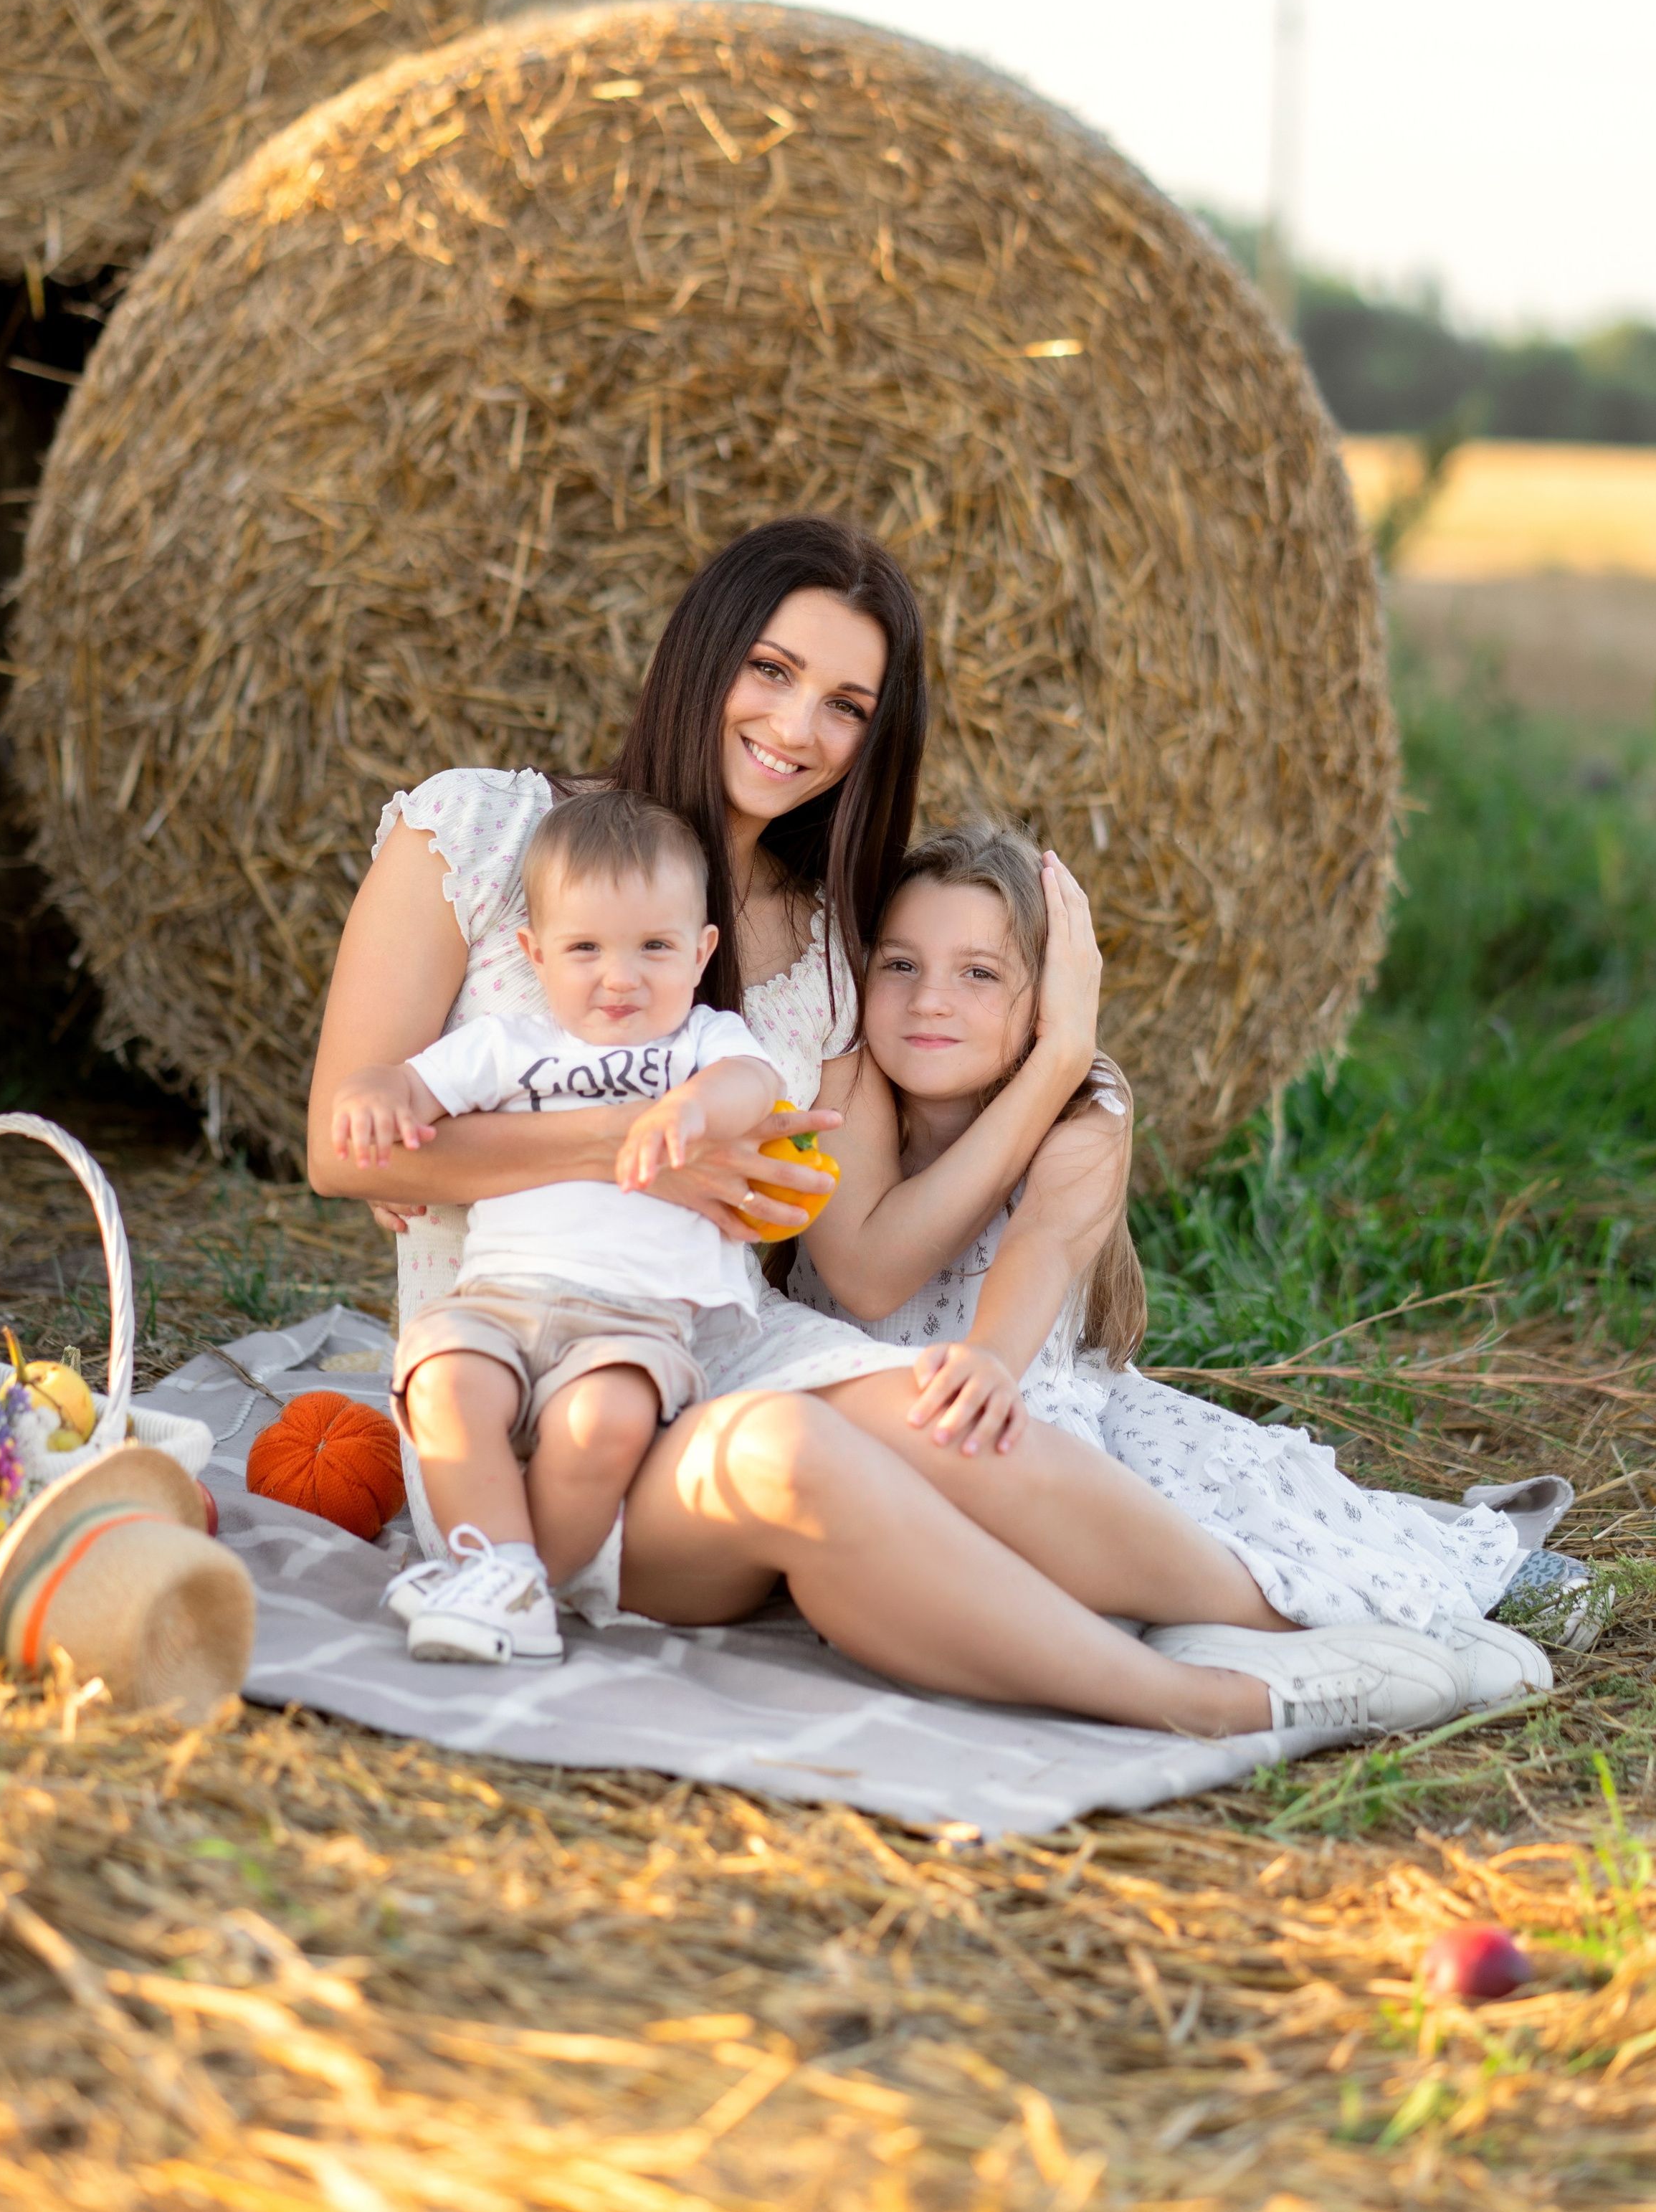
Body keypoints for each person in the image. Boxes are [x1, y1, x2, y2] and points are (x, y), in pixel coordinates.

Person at [308, 517, 1475, 1744]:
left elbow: (855, 1261)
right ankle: (1212, 1702)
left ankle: (1309, 1619)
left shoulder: (827, 948)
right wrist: (631, 1148)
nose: (796, 727)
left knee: (946, 1411)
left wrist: (1056, 1061)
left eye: (847, 707)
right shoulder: (482, 832)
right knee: (793, 1451)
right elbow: (345, 1144)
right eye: (771, 670)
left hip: (704, 1344)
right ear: (703, 653)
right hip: (507, 1389)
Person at [784, 824, 1548, 1705]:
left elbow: (1043, 1243)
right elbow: (868, 1272)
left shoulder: (1084, 1106)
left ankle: (1375, 1625)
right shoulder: (842, 1085)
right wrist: (1054, 1053)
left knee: (1244, 1517)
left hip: (1023, 1396)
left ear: (1053, 996)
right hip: (868, 1409)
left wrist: (990, 1356)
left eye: (979, 974)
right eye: (900, 964)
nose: (929, 1001)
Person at [328, 789, 784, 1666]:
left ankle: (518, 1587)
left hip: (631, 1321)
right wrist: (374, 1095)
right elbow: (411, 1088)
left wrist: (692, 1109)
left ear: (701, 952)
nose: (621, 978)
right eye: (585, 949)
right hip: (497, 1301)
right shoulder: (511, 1046)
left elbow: (754, 1085)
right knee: (444, 1383)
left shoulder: (700, 1045)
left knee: (601, 1426)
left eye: (654, 948)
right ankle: (502, 1575)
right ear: (535, 953)